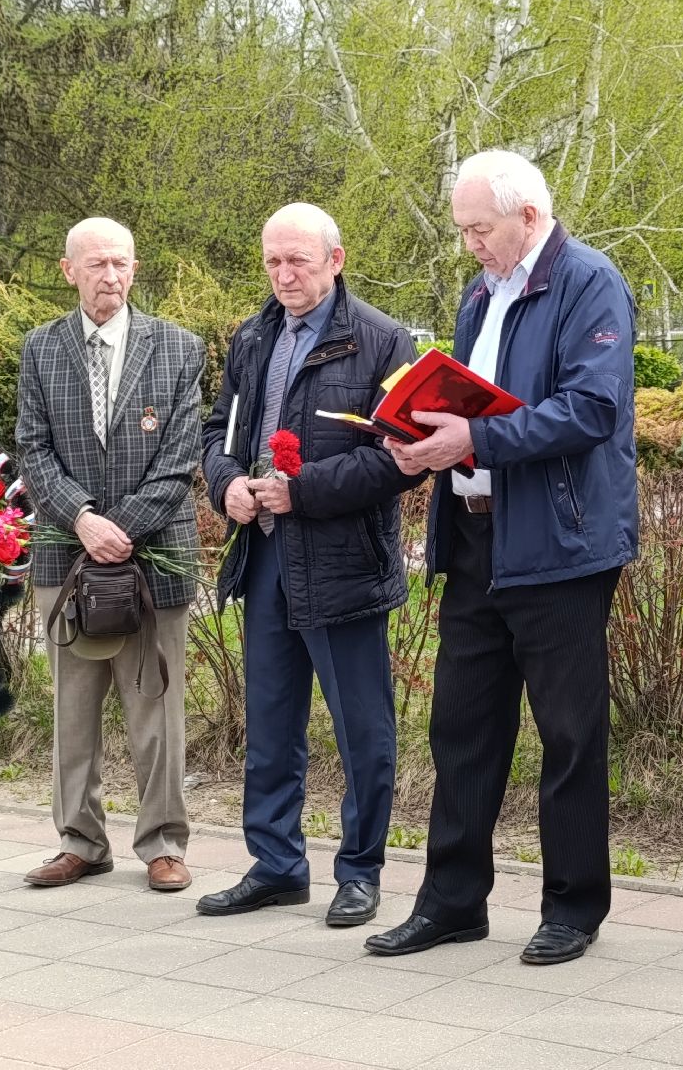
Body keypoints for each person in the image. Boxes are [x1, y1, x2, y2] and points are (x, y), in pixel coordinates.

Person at [366, 150, 637, 966]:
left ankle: (573, 907)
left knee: (568, 733)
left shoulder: (589, 282)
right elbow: (464, 401)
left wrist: (474, 438)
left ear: (527, 215)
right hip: (478, 536)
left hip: (560, 543)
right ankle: (452, 903)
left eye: (479, 229)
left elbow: (591, 408)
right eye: (463, 231)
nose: (470, 246)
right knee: (463, 727)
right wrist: (421, 442)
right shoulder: (481, 292)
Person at [199, 203, 417, 926]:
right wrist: (225, 480)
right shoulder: (253, 336)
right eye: (272, 262)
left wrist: (304, 491)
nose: (284, 275)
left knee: (363, 730)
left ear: (336, 258)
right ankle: (276, 865)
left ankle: (360, 871)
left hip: (343, 561)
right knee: (269, 721)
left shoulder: (384, 343)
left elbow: (400, 460)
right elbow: (216, 430)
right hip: (262, 555)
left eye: (298, 261)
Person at [16, 217, 203, 892]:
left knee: (156, 704)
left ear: (135, 267)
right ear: (69, 271)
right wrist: (84, 521)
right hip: (65, 558)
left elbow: (182, 456)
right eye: (96, 265)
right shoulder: (41, 350)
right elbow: (33, 450)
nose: (111, 277)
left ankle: (163, 843)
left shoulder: (178, 349)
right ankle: (80, 841)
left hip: (155, 556)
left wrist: (119, 527)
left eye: (121, 264)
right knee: (74, 705)